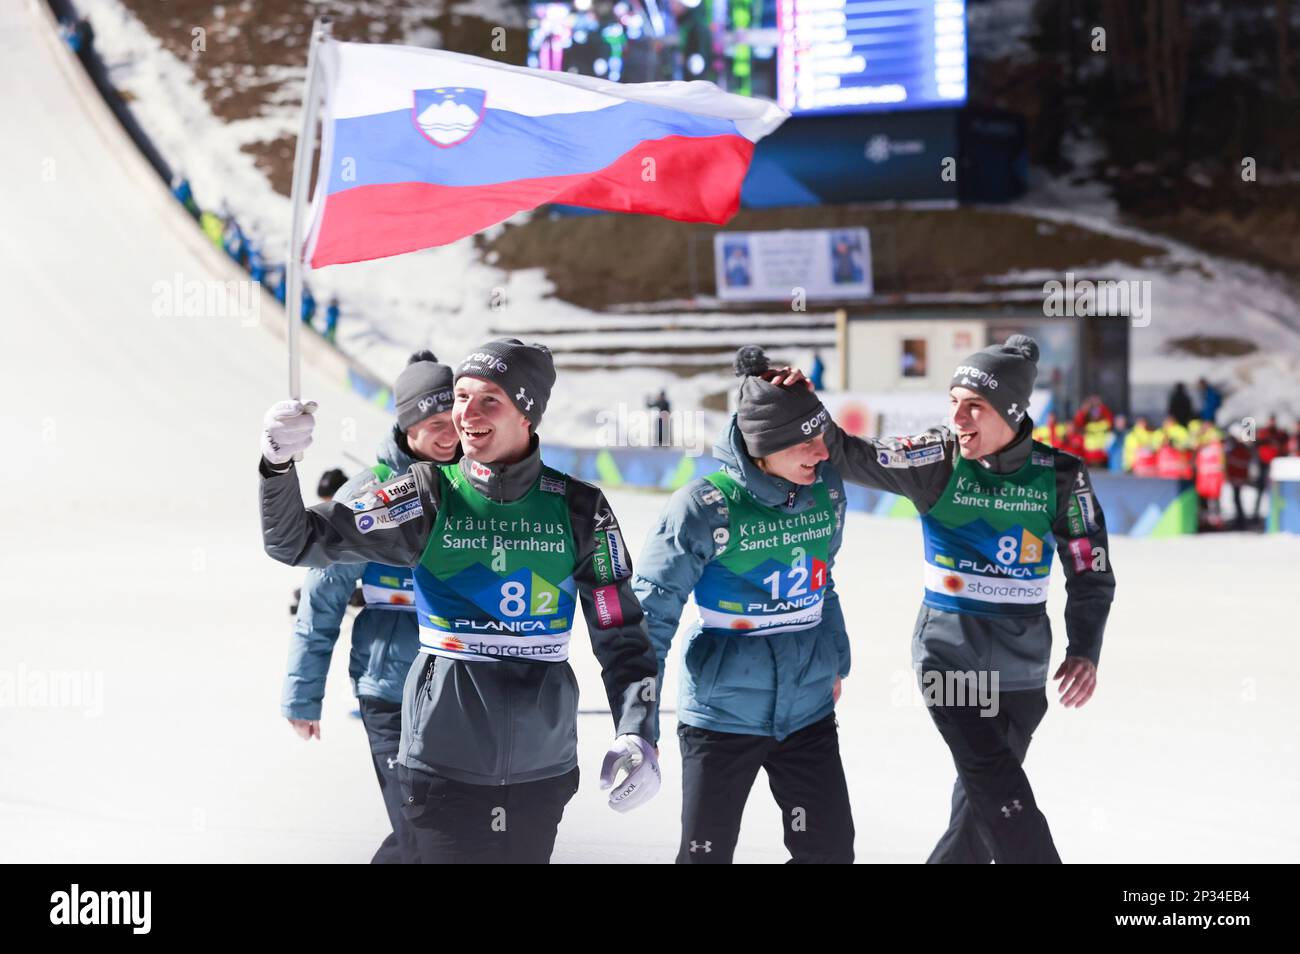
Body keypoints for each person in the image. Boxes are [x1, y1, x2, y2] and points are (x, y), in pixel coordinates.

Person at [258, 338, 661, 863]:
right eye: (462, 397)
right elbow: (299, 542)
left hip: (543, 769)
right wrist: (277, 464)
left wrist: (637, 731)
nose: (466, 413)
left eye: (488, 399)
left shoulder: (581, 509)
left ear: (527, 412)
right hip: (441, 765)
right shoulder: (425, 495)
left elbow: (621, 634)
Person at [780, 335, 1116, 863]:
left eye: (975, 406)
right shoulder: (936, 459)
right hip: (948, 655)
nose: (959, 417)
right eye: (953, 403)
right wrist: (802, 404)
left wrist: (1085, 647)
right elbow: (848, 454)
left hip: (1022, 671)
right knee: (995, 782)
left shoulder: (1061, 476)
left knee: (977, 817)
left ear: (1012, 410)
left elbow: (1090, 571)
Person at [633, 347, 853, 864]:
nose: (823, 453)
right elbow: (651, 616)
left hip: (808, 712)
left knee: (829, 851)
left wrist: (835, 661)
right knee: (706, 855)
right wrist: (638, 724)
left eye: (824, 436)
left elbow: (825, 584)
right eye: (807, 441)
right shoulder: (703, 505)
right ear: (763, 445)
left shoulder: (827, 493)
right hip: (721, 715)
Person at [282, 352, 461, 864]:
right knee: (419, 828)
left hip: (462, 683)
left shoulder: (475, 484)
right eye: (432, 424)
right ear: (407, 426)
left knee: (441, 831)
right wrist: (303, 693)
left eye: (452, 421)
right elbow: (323, 596)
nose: (448, 434)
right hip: (389, 688)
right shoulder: (372, 492)